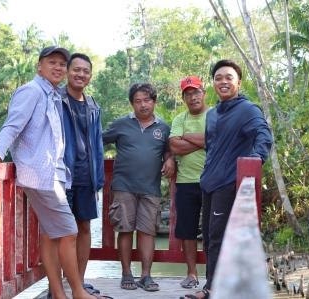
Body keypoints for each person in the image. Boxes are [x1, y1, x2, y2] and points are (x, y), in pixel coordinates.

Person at [0, 46, 112, 299]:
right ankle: (78, 293)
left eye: (62, 63)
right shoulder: (31, 91)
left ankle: (62, 294)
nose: (58, 68)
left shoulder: (51, 95)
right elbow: (12, 125)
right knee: (68, 232)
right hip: (40, 175)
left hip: (56, 175)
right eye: (53, 63)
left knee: (56, 233)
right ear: (40, 66)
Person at [180, 60, 273, 299]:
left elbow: (263, 135)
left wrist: (255, 160)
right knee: (210, 238)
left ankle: (212, 289)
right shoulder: (212, 114)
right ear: (213, 83)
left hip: (229, 184)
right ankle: (215, 287)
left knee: (219, 239)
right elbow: (211, 148)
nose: (223, 81)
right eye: (218, 77)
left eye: (229, 77)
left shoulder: (248, 110)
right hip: (209, 184)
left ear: (238, 82)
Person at [102, 83, 175, 292]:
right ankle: (126, 274)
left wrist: (169, 159)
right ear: (132, 103)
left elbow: (169, 151)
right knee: (125, 230)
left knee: (147, 232)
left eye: (147, 100)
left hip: (150, 188)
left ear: (154, 101)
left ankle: (146, 276)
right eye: (138, 101)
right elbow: (97, 140)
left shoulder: (164, 128)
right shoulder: (121, 124)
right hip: (124, 186)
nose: (143, 105)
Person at [60, 53, 104, 296]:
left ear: (90, 75)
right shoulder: (56, 100)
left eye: (85, 71)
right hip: (62, 176)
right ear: (68, 71)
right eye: (76, 69)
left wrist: (98, 179)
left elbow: (97, 144)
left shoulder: (93, 106)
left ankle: (80, 281)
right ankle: (55, 287)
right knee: (61, 233)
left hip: (86, 176)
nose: (80, 74)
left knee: (84, 228)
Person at [169, 76, 208, 289]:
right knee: (187, 229)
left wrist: (187, 138)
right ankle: (192, 273)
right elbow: (174, 147)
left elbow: (215, 139)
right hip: (185, 182)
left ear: (204, 93)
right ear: (184, 98)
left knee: (214, 230)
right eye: (188, 94)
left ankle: (213, 274)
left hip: (212, 181)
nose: (193, 97)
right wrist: (203, 140)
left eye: (196, 92)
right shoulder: (179, 119)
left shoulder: (214, 115)